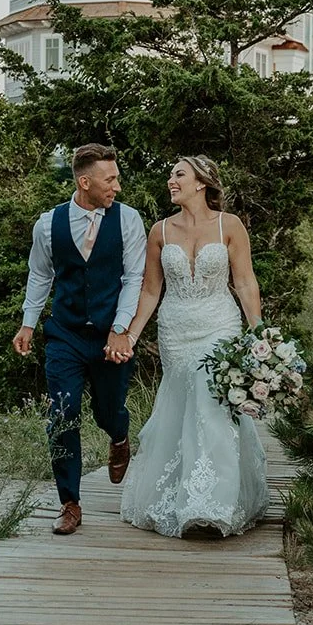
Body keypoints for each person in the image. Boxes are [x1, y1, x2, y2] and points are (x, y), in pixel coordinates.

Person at [119, 155, 270, 537]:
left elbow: (246, 282)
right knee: (181, 406)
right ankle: (178, 495)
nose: (171, 180)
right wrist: (132, 335)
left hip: (219, 324)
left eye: (179, 174)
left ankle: (210, 504)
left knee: (211, 401)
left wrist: (260, 334)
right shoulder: (160, 231)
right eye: (171, 175)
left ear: (201, 182)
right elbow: (151, 291)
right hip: (176, 328)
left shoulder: (229, 225)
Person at [12, 143, 147, 536]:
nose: (117, 187)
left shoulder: (128, 221)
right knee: (61, 415)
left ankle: (119, 437)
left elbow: (134, 278)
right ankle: (69, 502)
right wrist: (28, 324)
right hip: (65, 335)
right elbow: (40, 275)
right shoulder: (47, 224)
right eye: (110, 179)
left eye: (117, 178)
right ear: (84, 182)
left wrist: (120, 329)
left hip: (112, 336)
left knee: (109, 411)